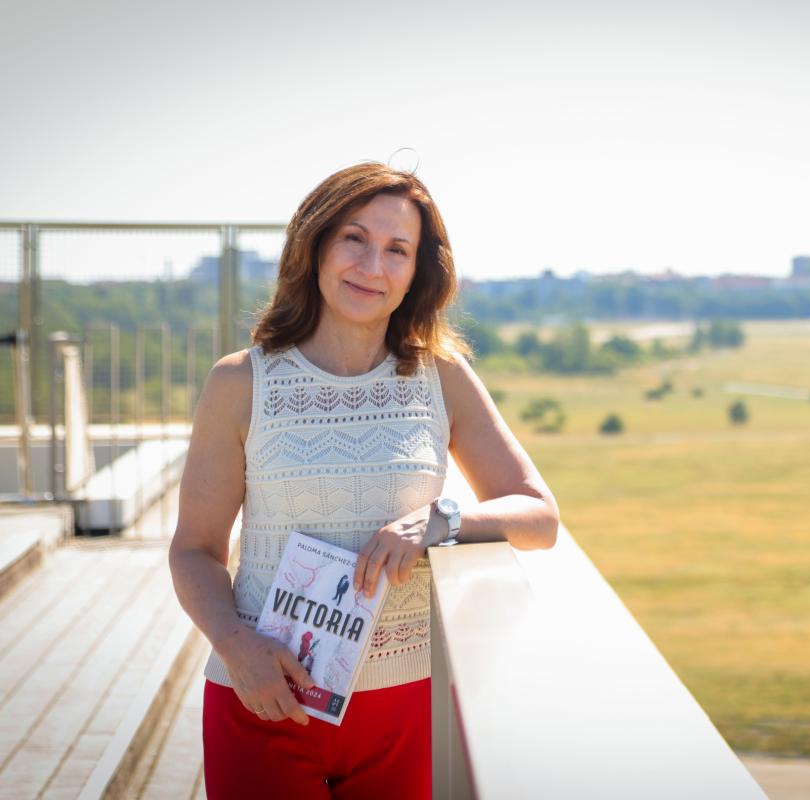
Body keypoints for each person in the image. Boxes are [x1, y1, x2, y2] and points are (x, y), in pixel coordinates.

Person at [168, 162, 560, 799]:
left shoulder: (443, 377)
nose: (371, 265)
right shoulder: (240, 382)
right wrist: (239, 648)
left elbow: (539, 516)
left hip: (406, 707)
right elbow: (193, 550)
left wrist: (442, 519)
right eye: (353, 238)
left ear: (416, 273)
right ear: (315, 246)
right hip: (265, 696)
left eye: (396, 249)